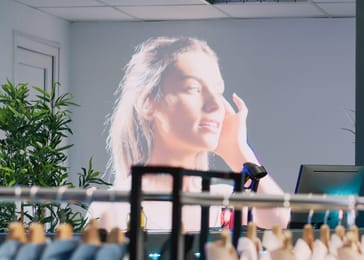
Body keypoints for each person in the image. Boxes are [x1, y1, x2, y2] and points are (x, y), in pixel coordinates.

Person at [88, 36, 289, 231]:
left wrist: (237, 150)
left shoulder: (222, 198)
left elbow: (278, 219)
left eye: (218, 92)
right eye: (193, 88)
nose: (215, 105)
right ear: (148, 103)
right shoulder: (114, 205)